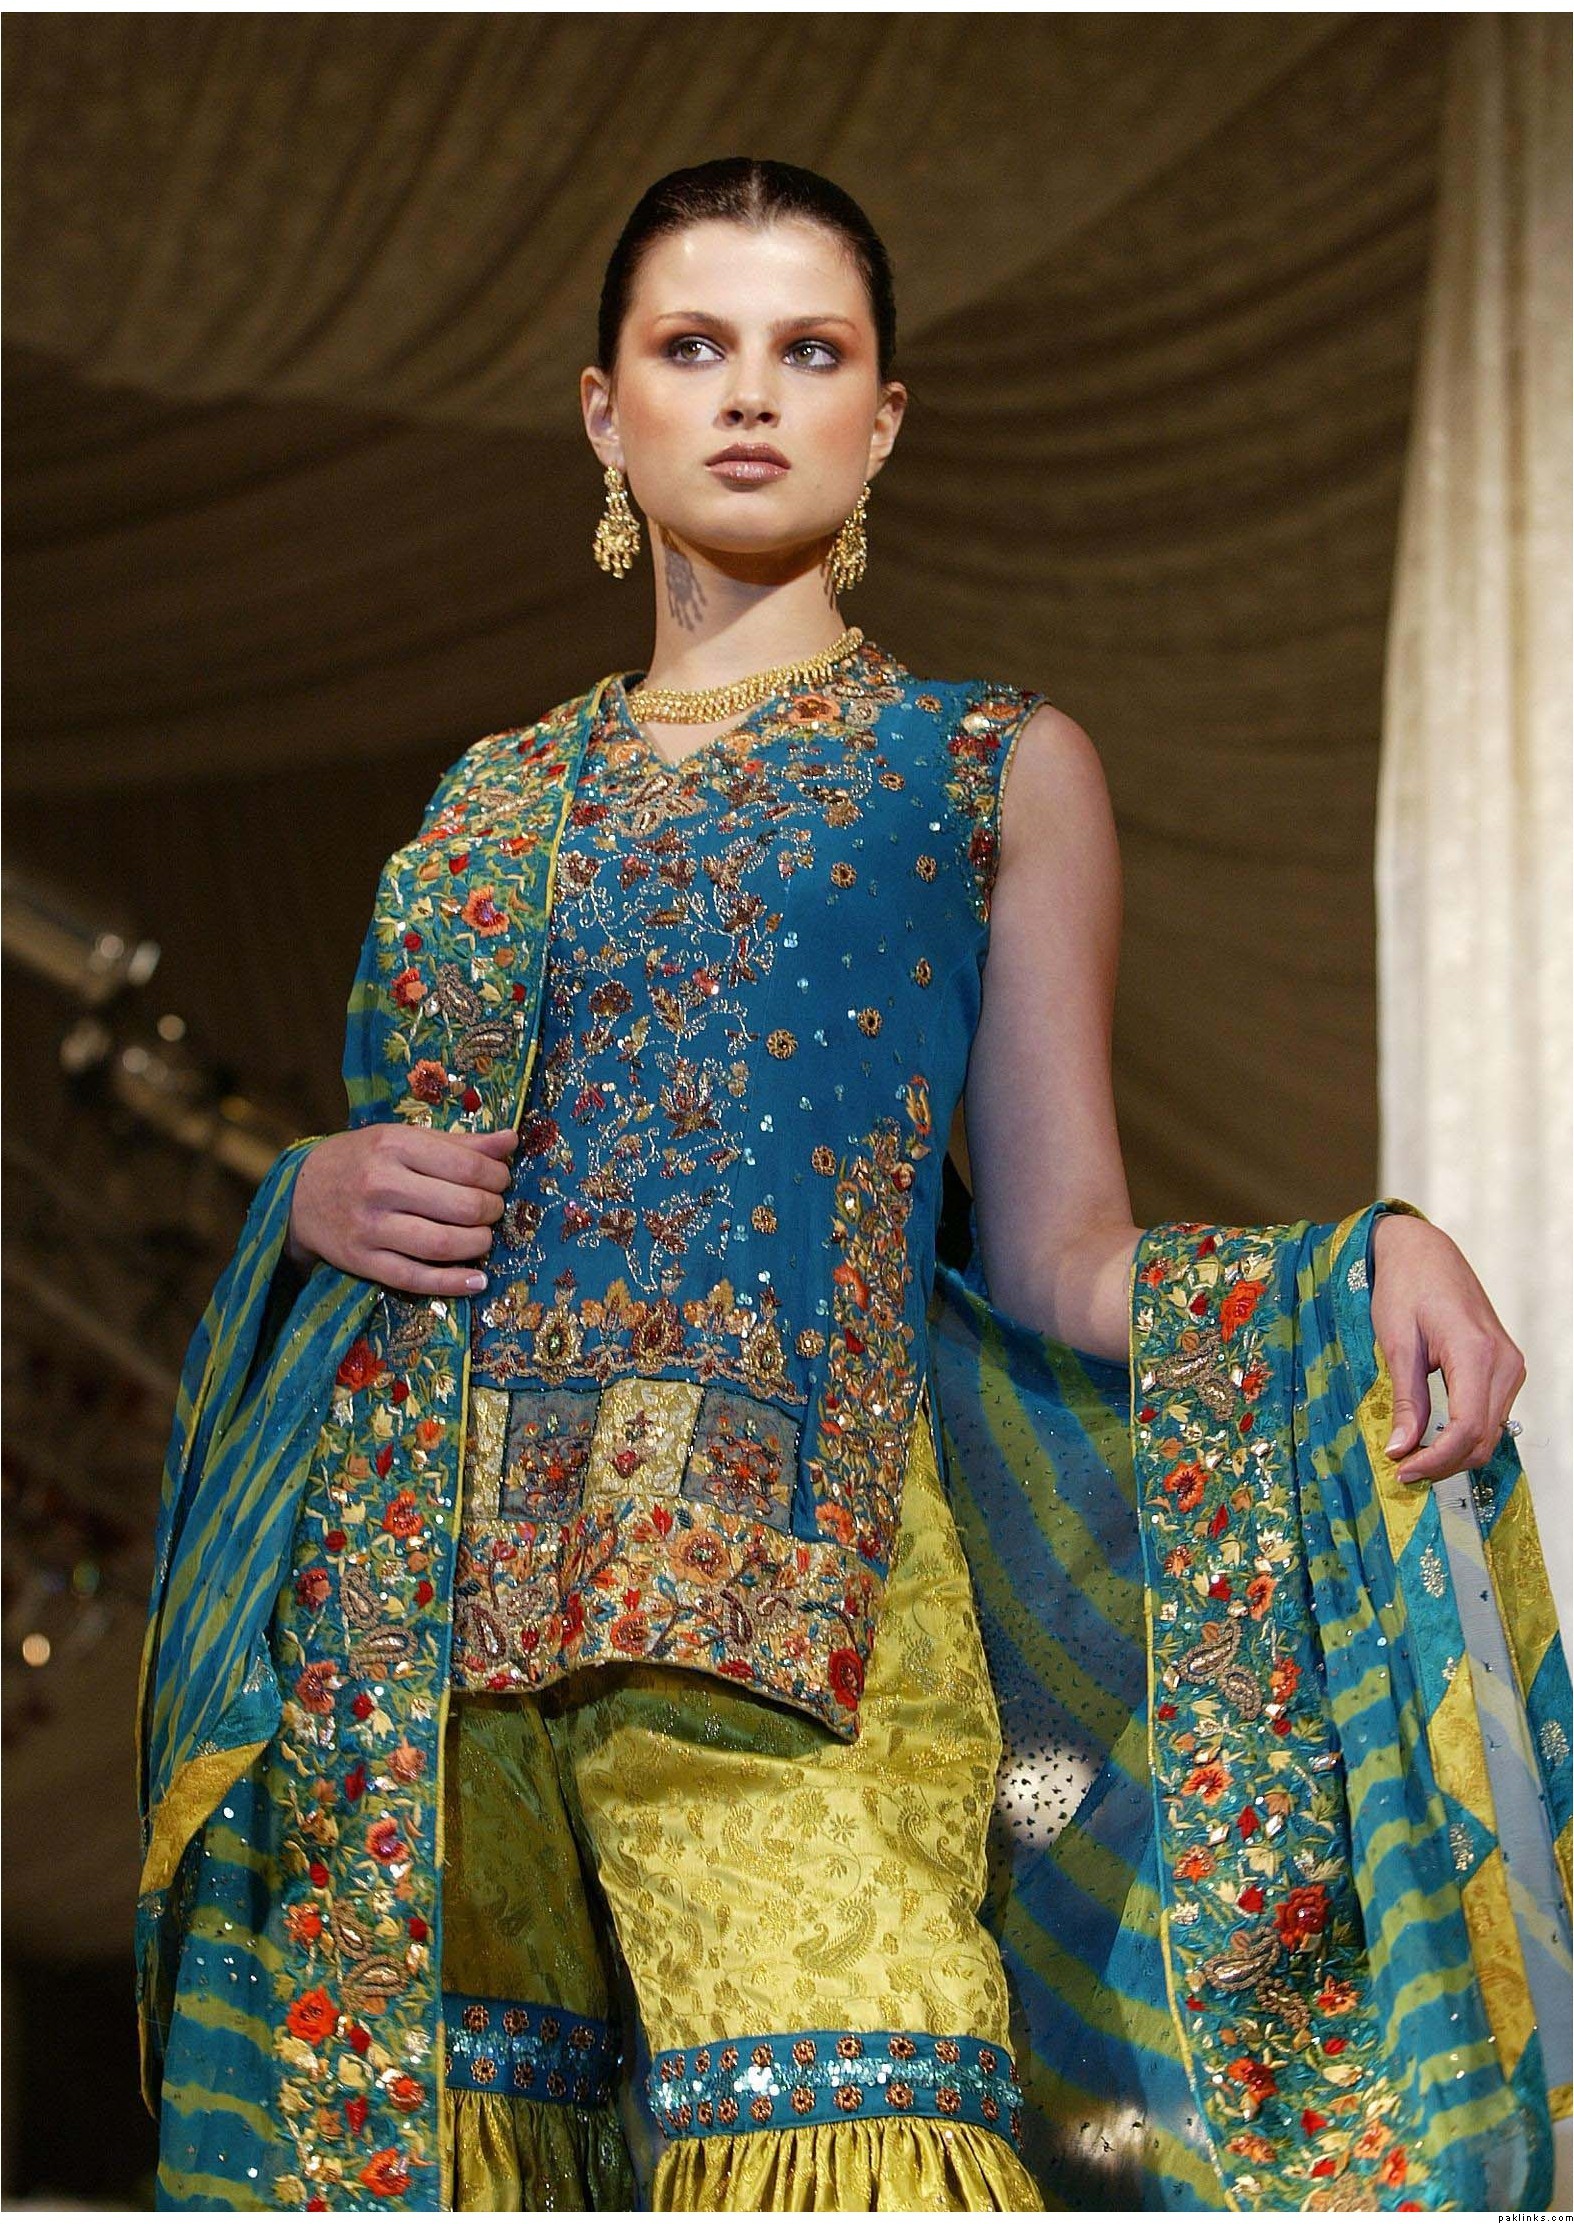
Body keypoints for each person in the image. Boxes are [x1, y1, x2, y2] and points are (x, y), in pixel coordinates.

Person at [137, 157, 1569, 2214]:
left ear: (882, 419)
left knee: (863, 2144)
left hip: (795, 1607)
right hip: (423, 1630)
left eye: (807, 352)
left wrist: (1363, 1261)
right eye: (690, 346)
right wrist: (305, 1198)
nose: (748, 394)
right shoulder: (484, 804)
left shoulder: (986, 764)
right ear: (602, 412)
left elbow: (1060, 1250)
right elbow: (411, 1171)